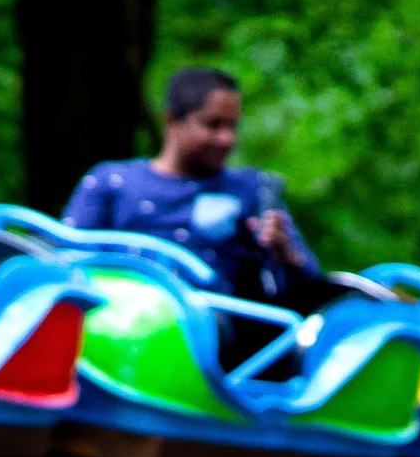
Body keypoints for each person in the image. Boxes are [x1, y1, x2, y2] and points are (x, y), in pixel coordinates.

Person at [62, 68, 323, 307]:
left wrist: (284, 252)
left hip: (214, 325)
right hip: (113, 313)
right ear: (172, 121)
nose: (226, 139)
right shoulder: (111, 182)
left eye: (232, 126)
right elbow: (63, 263)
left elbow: (315, 288)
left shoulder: (252, 190)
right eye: (213, 124)